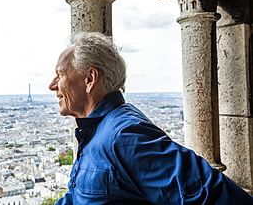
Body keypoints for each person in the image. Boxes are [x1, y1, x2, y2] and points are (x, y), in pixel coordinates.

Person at [49, 32, 253, 204]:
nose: (53, 85)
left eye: (61, 75)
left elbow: (216, 195)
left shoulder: (125, 135)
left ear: (90, 79)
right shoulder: (96, 131)